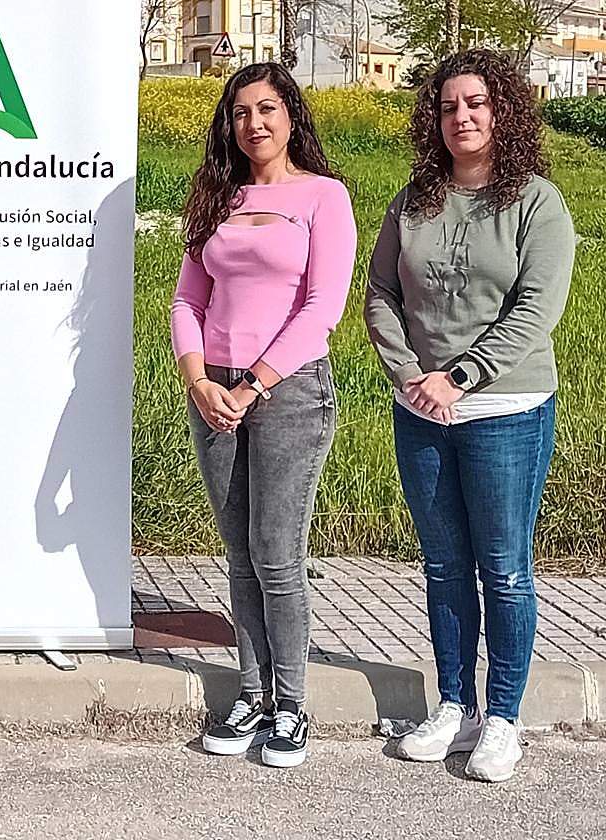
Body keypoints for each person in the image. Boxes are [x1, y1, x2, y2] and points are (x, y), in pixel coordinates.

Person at [364, 49, 575, 782]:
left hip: (506, 407)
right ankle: (455, 706)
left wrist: (460, 375)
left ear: (503, 110)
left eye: (477, 103)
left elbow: (536, 309)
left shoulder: (537, 202)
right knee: (445, 562)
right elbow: (381, 294)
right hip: (420, 408)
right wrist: (412, 376)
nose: (462, 117)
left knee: (505, 569)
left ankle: (504, 718)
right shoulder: (413, 199)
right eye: (450, 105)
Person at [170, 63, 357, 768]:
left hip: (287, 392)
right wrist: (199, 381)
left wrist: (250, 386)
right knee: (241, 556)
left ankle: (292, 706)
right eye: (241, 112)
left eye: (267, 109)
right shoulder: (217, 196)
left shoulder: (323, 197)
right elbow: (188, 301)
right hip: (213, 391)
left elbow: (322, 310)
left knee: (277, 556)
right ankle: (251, 694)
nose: (254, 123)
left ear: (290, 116)